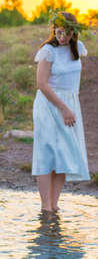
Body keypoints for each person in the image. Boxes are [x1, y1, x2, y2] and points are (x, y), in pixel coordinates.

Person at [32, 12, 90, 212]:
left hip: (70, 103)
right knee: (47, 153)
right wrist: (64, 108)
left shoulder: (78, 49)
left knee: (63, 153)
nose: (62, 37)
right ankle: (45, 207)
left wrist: (70, 107)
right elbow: (41, 84)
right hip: (49, 104)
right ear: (54, 31)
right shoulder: (48, 51)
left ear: (74, 32)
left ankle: (54, 205)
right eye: (58, 32)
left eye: (66, 33)